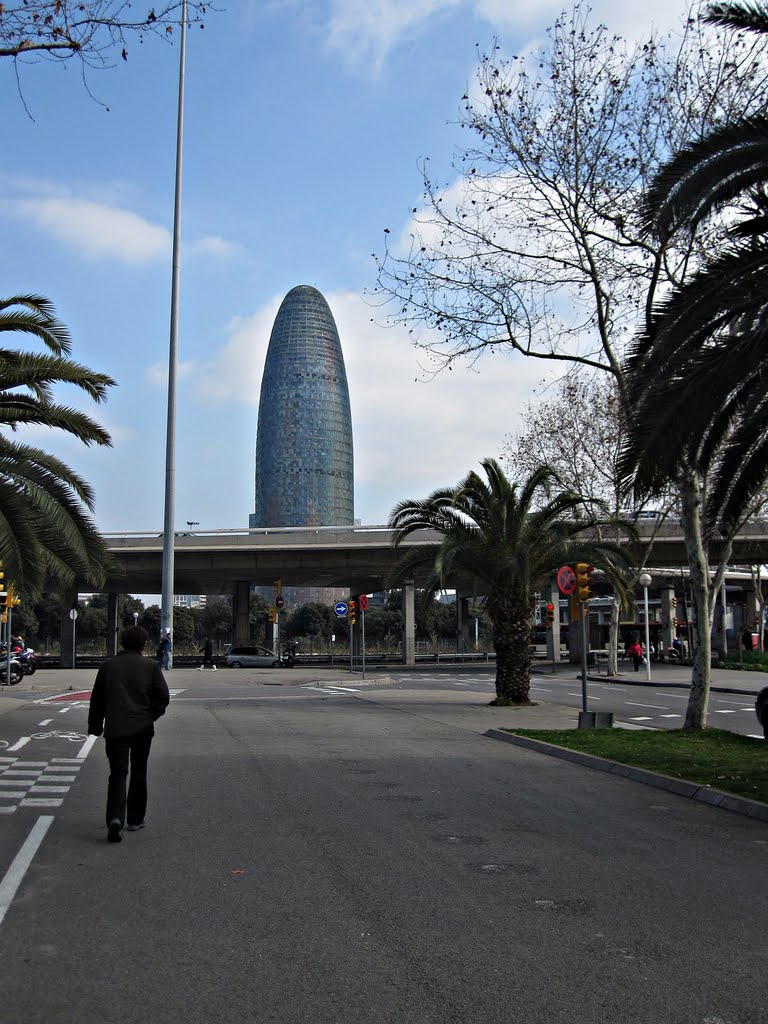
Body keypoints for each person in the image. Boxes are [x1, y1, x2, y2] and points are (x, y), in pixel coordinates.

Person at [88, 626, 170, 843]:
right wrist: (150, 715)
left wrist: (96, 726)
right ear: (144, 644)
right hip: (142, 729)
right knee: (139, 771)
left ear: (122, 643)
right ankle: (135, 819)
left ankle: (115, 818)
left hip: (115, 729)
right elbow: (163, 697)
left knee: (117, 774)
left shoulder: (108, 666)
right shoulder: (151, 666)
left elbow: (97, 700)